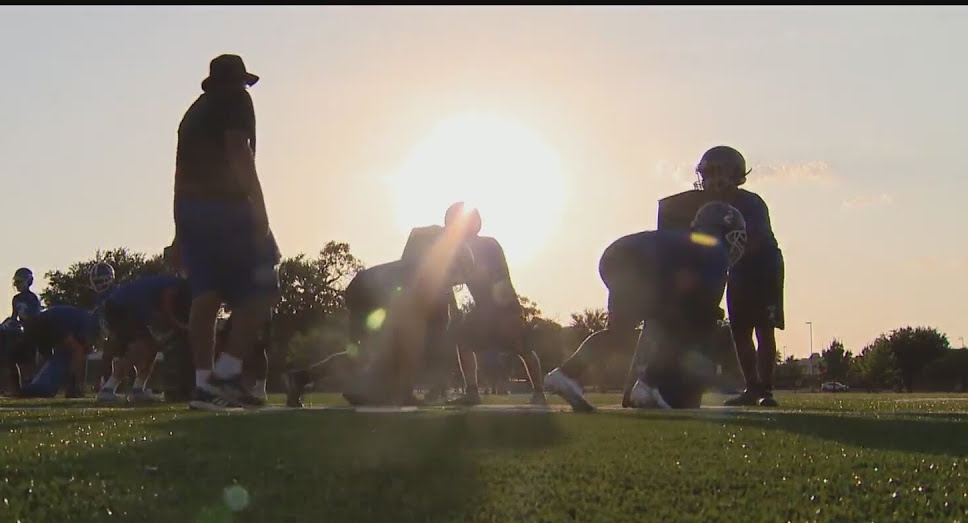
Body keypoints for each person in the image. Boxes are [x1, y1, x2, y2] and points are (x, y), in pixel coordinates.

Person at [543, 202, 747, 412]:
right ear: (725, 231)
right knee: (693, 325)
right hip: (640, 264)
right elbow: (706, 306)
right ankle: (649, 384)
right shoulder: (715, 250)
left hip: (617, 256)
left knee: (620, 334)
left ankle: (566, 374)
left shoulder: (686, 242)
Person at [283, 204, 478, 407]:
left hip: (370, 292)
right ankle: (373, 389)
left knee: (366, 352)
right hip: (370, 293)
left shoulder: (438, 280)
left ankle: (302, 379)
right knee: (390, 346)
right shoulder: (430, 243)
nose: (455, 282)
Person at [174, 54, 280, 411]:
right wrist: (260, 205)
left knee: (206, 295)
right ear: (237, 81)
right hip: (228, 207)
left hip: (192, 210)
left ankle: (205, 386)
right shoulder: (236, 100)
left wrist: (178, 230)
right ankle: (228, 372)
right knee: (263, 287)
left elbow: (179, 172)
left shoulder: (194, 112)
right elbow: (238, 149)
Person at [659, 146, 784, 407]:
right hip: (734, 267)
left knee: (763, 327)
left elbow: (756, 241)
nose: (713, 179)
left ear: (737, 175)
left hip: (762, 266)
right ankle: (751, 387)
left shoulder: (750, 203)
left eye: (720, 172)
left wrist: (719, 254)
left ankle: (766, 389)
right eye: (708, 173)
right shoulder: (702, 206)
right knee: (739, 330)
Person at [452, 222, 547, 406]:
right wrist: (462, 311)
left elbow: (500, 276)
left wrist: (508, 309)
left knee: (521, 346)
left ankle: (539, 391)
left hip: (500, 305)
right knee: (462, 341)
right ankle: (471, 391)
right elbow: (458, 283)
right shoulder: (455, 253)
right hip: (477, 308)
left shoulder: (489, 245)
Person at [91, 273, 192, 404]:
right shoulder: (172, 287)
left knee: (152, 346)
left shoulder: (168, 283)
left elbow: (161, 317)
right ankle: (108, 389)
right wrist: (184, 328)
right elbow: (167, 315)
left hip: (124, 308)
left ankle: (138, 388)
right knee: (141, 346)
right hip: (121, 307)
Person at [18, 305, 101, 398]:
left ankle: (75, 387)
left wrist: (75, 382)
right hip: (74, 325)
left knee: (73, 353)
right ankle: (43, 386)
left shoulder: (53, 322)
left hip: (83, 323)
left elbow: (77, 350)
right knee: (63, 358)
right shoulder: (38, 331)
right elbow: (46, 358)